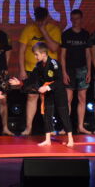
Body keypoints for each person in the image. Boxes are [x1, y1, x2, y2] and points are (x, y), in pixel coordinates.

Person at [9, 42, 74, 147]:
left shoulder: (54, 64)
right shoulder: (39, 65)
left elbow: (59, 80)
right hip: (47, 93)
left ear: (43, 54)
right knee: (47, 114)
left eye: (36, 54)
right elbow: (32, 79)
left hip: (58, 91)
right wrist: (20, 83)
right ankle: (47, 139)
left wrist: (47, 87)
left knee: (63, 114)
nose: (35, 57)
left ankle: (70, 139)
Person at [17, 7, 62, 136]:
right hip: (31, 70)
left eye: (42, 19)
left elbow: (54, 48)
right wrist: (22, 70)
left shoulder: (54, 29)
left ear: (47, 17)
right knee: (31, 97)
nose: (40, 21)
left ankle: (49, 128)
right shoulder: (28, 29)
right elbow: (21, 51)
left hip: (49, 72)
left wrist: (43, 31)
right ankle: (28, 128)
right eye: (38, 19)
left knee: (48, 99)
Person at [61, 9, 92, 134]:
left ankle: (80, 126)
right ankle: (66, 127)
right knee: (68, 99)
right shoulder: (66, 34)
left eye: (77, 18)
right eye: (73, 19)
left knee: (82, 98)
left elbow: (88, 54)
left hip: (82, 69)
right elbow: (62, 55)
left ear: (81, 19)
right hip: (69, 69)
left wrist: (89, 71)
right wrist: (64, 72)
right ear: (70, 19)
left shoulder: (85, 34)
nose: (75, 21)